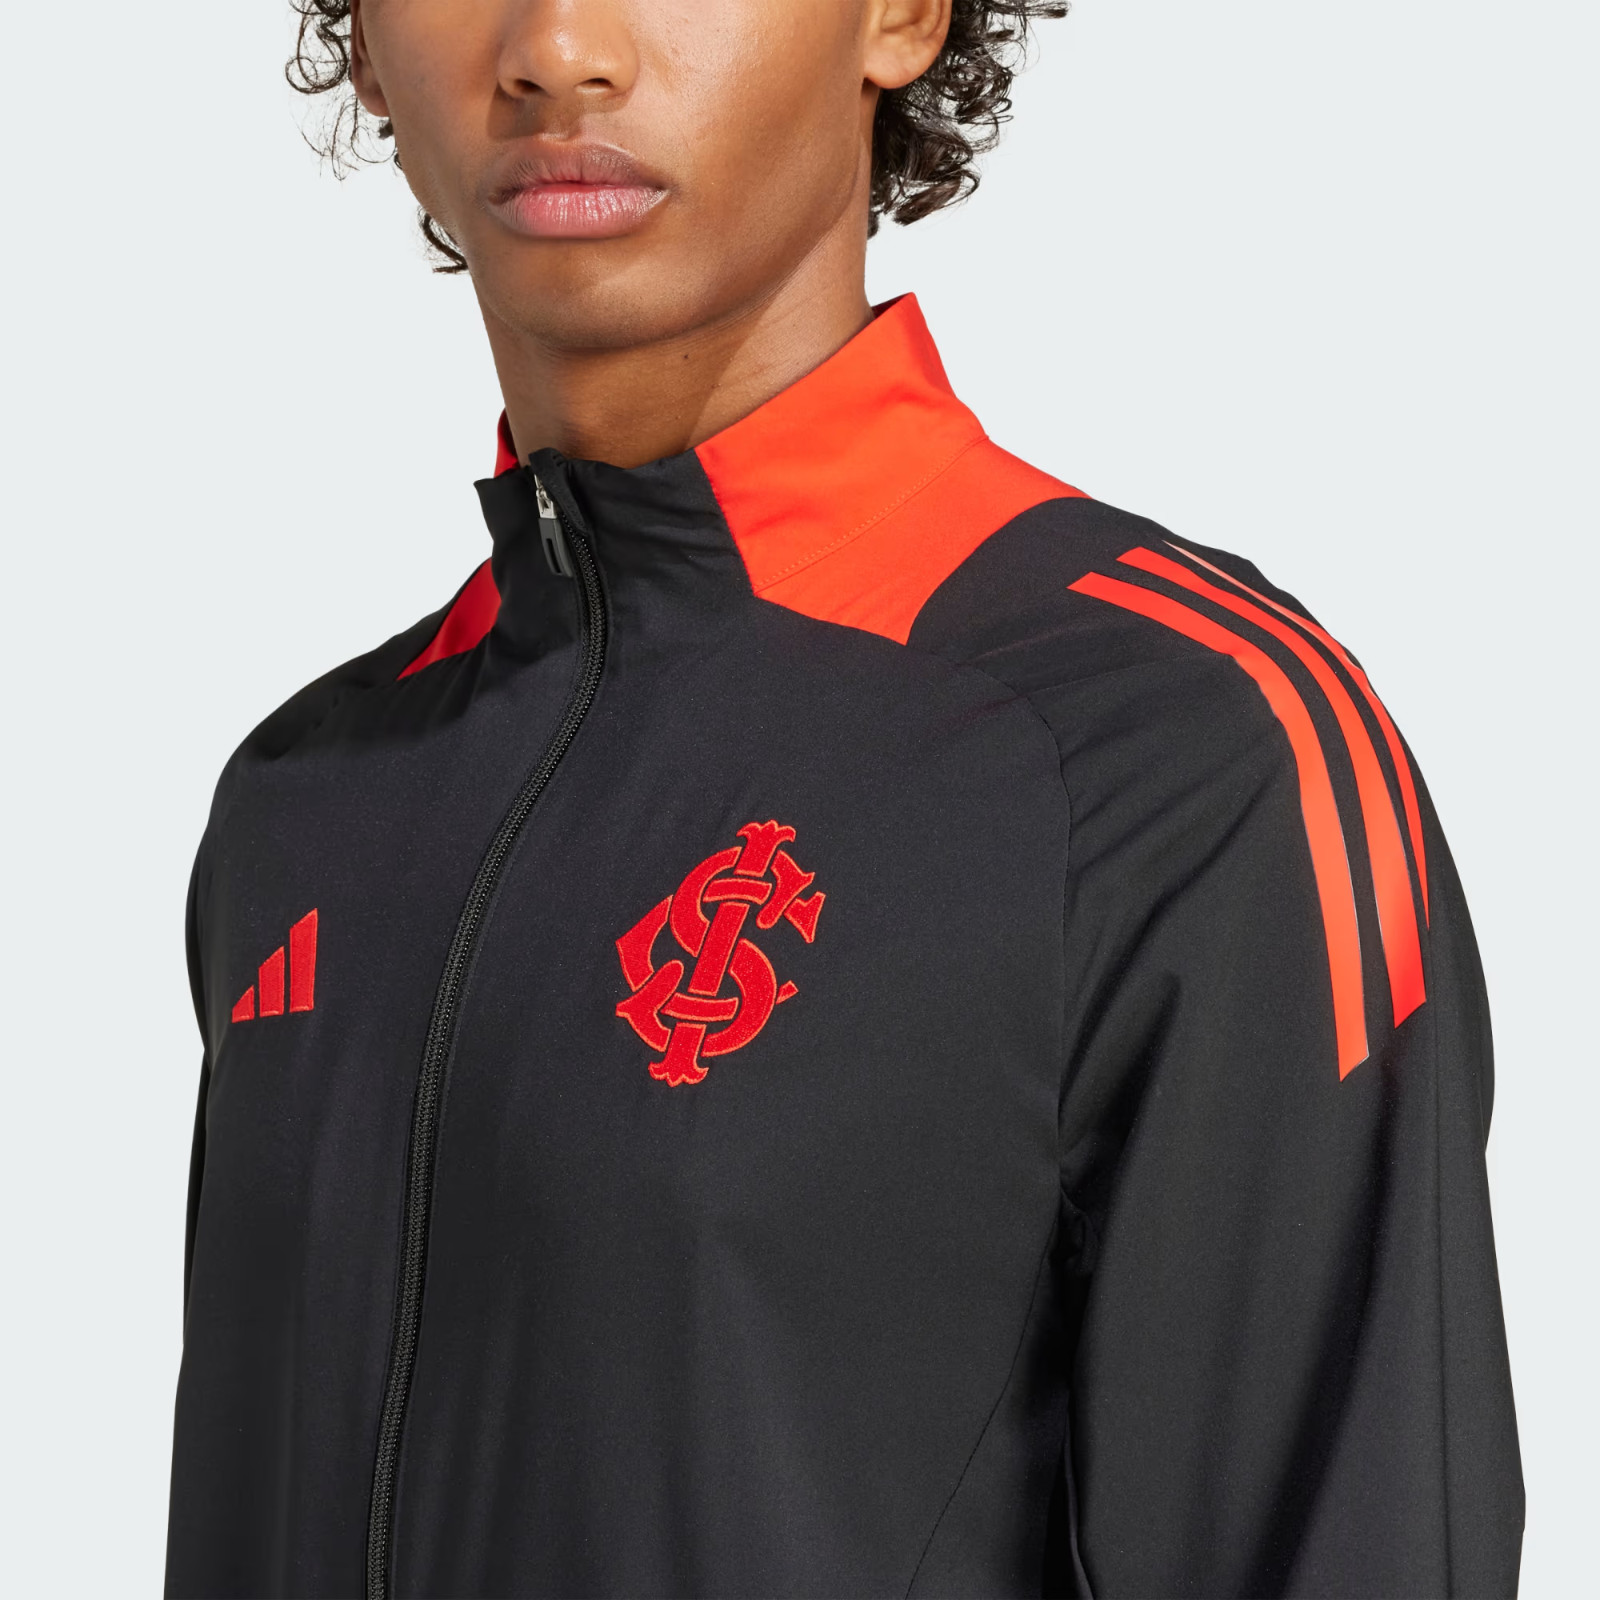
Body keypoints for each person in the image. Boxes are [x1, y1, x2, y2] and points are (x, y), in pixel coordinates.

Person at [164, 2, 1524, 1595]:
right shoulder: (309, 798)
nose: (557, 47)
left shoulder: (1177, 747)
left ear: (898, 15)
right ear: (369, 50)